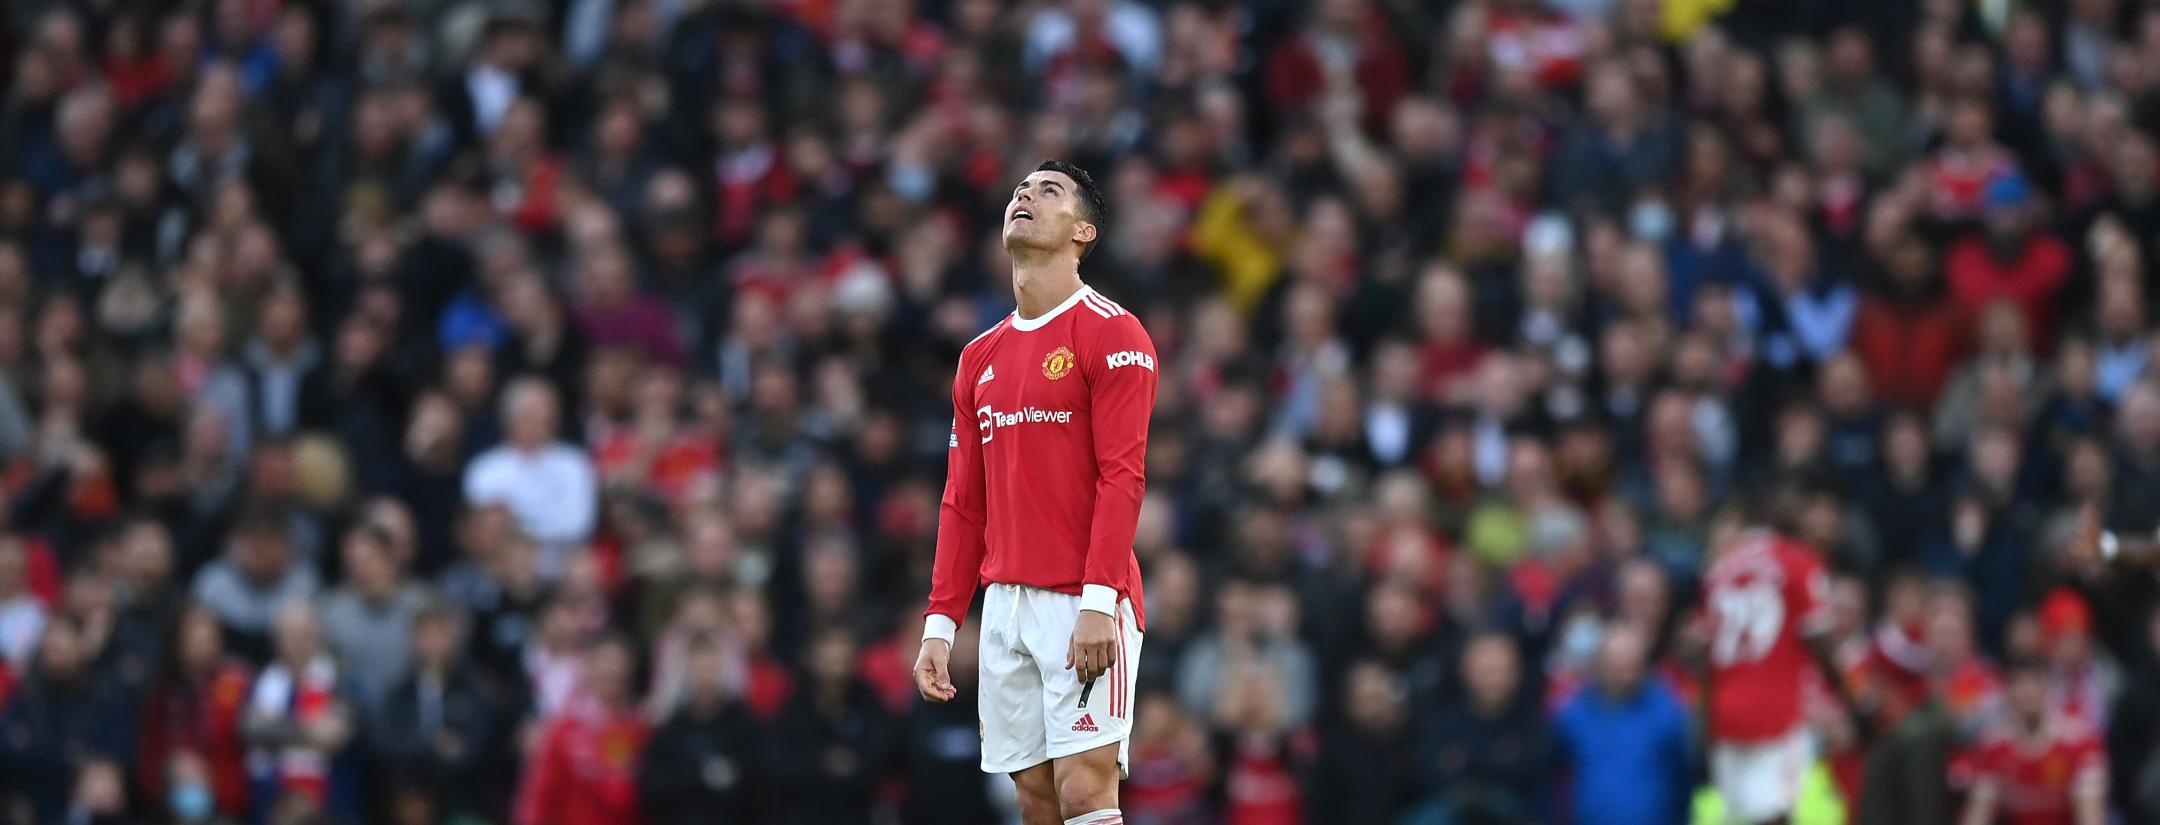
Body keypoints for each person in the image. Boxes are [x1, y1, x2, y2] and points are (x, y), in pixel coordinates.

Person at [913, 160, 1158, 825]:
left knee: (1085, 789)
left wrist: (1097, 603)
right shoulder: (978, 357)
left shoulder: (1112, 332)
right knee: (1035, 800)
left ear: (1083, 231)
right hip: (1006, 607)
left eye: (1048, 191)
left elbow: (1122, 477)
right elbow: (964, 501)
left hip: (1083, 595)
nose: (1025, 195)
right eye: (1020, 189)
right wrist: (941, 622)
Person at [1700, 492, 1850, 825]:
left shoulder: (1720, 568)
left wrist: (1706, 724)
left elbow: (1705, 654)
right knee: (1777, 814)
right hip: (1775, 710)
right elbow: (1820, 641)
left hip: (1725, 715)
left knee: (1738, 817)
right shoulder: (1797, 561)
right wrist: (1853, 698)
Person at [1551, 623, 1694, 825]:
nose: (1622, 670)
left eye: (1630, 662)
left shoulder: (1668, 713)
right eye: (1614, 662)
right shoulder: (1573, 713)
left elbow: (1684, 779)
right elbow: (1552, 776)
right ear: (1599, 663)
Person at [512, 634, 649, 825]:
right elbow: (540, 794)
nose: (613, 670)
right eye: (606, 662)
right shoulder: (565, 727)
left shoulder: (640, 728)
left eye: (619, 664)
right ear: (590, 668)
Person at [1958, 659, 2107, 825]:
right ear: (2007, 692)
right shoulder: (1994, 745)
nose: (2027, 691)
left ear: (2048, 687)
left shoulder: (2080, 741)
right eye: (2019, 684)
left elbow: (2090, 817)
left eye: (2034, 681)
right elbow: (1978, 814)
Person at [636, 632, 759, 825]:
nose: (705, 679)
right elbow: (652, 787)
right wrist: (698, 777)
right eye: (698, 669)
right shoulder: (670, 728)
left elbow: (758, 785)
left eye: (711, 669)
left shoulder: (743, 724)